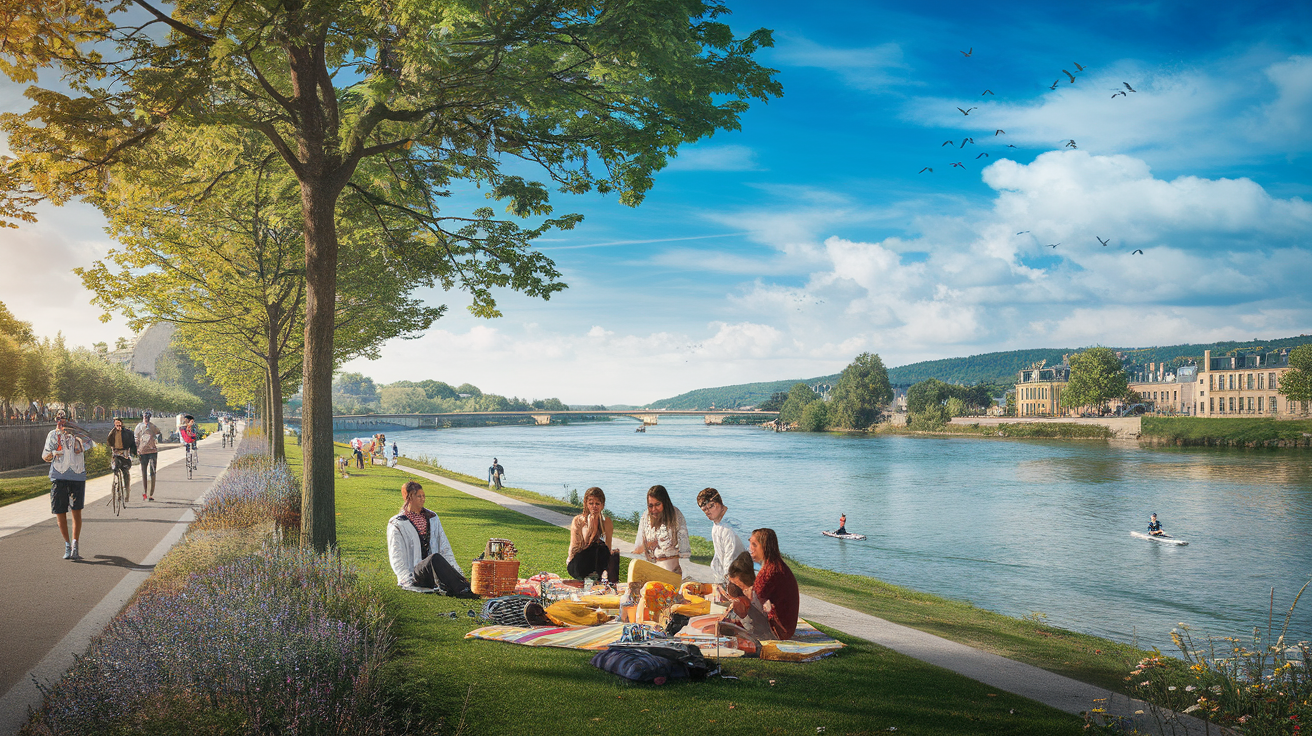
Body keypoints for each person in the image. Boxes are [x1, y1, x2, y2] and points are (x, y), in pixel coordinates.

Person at [386, 481, 476, 597]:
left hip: (433, 569)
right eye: (418, 496)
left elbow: (444, 546)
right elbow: (396, 554)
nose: (422, 499)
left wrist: (457, 570)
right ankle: (463, 590)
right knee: (434, 558)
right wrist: (405, 579)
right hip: (415, 573)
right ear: (409, 498)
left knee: (438, 559)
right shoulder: (397, 523)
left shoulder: (432, 517)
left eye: (423, 496)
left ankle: (465, 587)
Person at [42, 413, 94, 560]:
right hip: (58, 475)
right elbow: (44, 456)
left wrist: (79, 445)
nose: (61, 423)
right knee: (60, 511)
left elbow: (89, 443)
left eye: (63, 420)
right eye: (58, 420)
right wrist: (52, 453)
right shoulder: (52, 435)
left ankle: (75, 544)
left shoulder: (78, 433)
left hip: (77, 475)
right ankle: (67, 544)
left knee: (76, 511)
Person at [750, 528, 799, 640]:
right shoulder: (776, 566)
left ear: (765, 547)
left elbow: (753, 600)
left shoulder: (770, 571)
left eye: (754, 545)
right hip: (786, 628)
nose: (750, 548)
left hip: (779, 631)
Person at [696, 487, 745, 597]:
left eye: (711, 506)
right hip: (726, 579)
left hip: (738, 580)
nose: (708, 512)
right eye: (705, 510)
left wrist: (725, 585)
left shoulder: (728, 527)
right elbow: (719, 557)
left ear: (719, 502)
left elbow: (730, 559)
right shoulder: (716, 526)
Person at [632, 484, 690, 576]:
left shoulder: (676, 516)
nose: (654, 509)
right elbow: (638, 548)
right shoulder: (645, 516)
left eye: (658, 504)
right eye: (650, 506)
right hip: (651, 569)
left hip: (671, 571)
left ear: (665, 502)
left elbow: (685, 552)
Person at [716, 551, 773, 643]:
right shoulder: (738, 590)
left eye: (738, 585)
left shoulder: (758, 596)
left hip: (761, 633)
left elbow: (764, 625)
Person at [567, 487, 620, 582]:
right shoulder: (578, 521)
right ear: (586, 504)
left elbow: (608, 546)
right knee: (595, 547)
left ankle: (611, 583)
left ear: (602, 505)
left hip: (598, 562)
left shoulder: (606, 522)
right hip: (580, 560)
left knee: (605, 550)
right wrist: (592, 528)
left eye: (597, 504)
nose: (594, 506)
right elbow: (576, 547)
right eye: (591, 503)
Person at [104, 417, 137, 503]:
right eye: (116, 424)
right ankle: (115, 489)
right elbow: (109, 443)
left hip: (125, 455)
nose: (118, 426)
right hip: (116, 455)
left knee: (126, 473)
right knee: (115, 469)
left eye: (119, 424)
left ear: (122, 424)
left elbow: (132, 444)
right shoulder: (112, 433)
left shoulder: (128, 433)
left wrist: (134, 453)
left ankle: (127, 492)